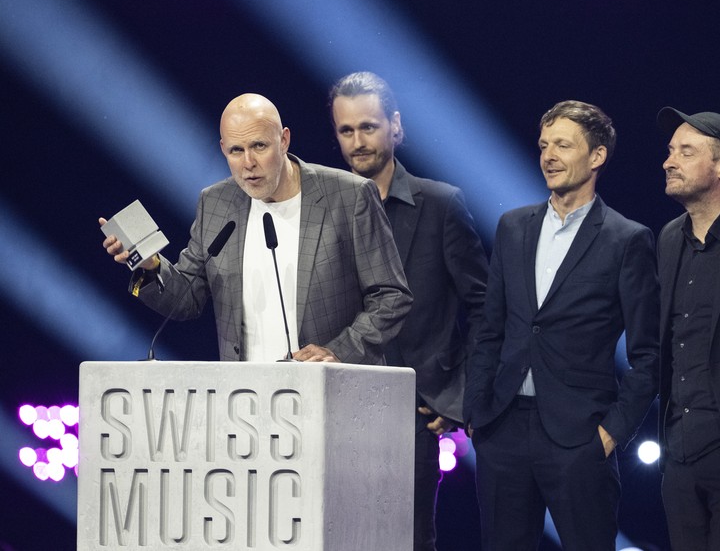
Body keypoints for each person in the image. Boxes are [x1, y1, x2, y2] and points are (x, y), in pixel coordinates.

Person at [464, 100, 660, 550]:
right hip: (503, 428)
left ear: (597, 157)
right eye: (543, 145)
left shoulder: (626, 239)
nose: (548, 155)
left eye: (563, 145)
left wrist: (610, 433)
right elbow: (489, 328)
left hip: (579, 437)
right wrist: (477, 410)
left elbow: (648, 353)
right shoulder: (513, 227)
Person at [100, 93, 412, 365]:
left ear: (284, 140)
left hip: (334, 394)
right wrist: (150, 265)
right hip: (247, 400)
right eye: (236, 151)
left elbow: (391, 296)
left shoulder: (349, 196)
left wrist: (337, 351)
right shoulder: (216, 203)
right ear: (223, 149)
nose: (248, 163)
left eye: (259, 146)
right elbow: (186, 300)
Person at [329, 71, 489, 551]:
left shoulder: (440, 205)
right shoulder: (321, 211)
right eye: (346, 130)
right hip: (335, 409)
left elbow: (484, 307)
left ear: (395, 126)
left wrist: (458, 397)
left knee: (408, 539)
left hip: (413, 411)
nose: (358, 142)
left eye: (369, 127)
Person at [655, 107, 720, 551]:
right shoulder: (668, 238)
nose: (668, 161)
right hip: (677, 447)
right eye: (670, 150)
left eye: (685, 151)